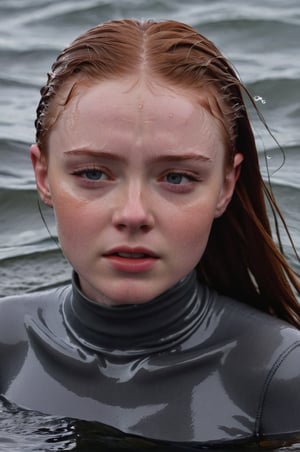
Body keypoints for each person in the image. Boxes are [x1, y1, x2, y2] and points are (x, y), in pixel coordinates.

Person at [0, 18, 299, 449]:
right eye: (93, 173)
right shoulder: (7, 345)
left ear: (225, 186)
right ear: (43, 176)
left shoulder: (281, 376)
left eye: (177, 178)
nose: (134, 213)